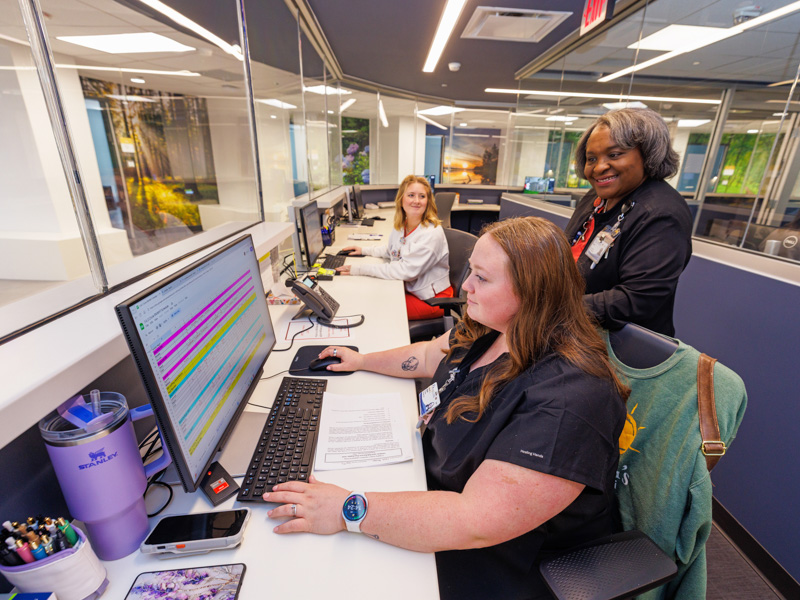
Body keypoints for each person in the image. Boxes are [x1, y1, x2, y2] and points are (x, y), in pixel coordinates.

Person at [264, 217, 629, 599]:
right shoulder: (494, 326)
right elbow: (427, 355)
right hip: (437, 493)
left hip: (505, 558)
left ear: (533, 293)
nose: (465, 286)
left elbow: (475, 521)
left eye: (482, 278)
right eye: (470, 271)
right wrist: (361, 360)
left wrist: (347, 509)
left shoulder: (573, 398)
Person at [565, 107, 693, 336]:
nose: (599, 167)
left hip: (619, 347)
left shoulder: (661, 214)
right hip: (574, 332)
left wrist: (555, 309)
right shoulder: (595, 199)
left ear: (648, 153)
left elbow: (637, 300)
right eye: (591, 158)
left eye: (614, 155)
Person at [336, 175, 452, 320]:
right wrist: (364, 250)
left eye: (422, 196)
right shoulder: (403, 224)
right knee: (368, 294)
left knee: (377, 308)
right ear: (401, 199)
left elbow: (404, 271)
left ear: (428, 201)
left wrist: (359, 269)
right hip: (411, 288)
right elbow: (392, 250)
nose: (416, 201)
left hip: (431, 298)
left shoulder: (431, 233)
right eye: (411, 195)